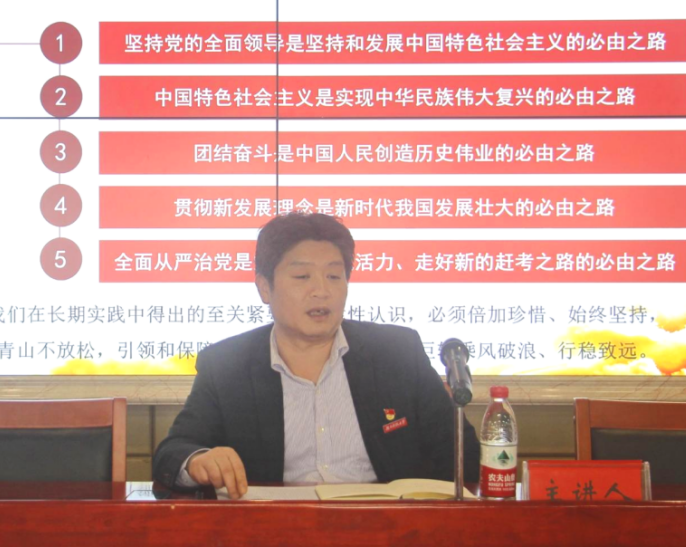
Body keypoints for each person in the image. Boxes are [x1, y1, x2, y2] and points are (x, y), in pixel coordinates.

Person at [152, 212, 480, 498]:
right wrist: (198, 461)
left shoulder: (397, 352)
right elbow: (173, 452)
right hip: (272, 532)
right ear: (264, 287)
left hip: (385, 530)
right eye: (302, 277)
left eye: (334, 276)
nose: (321, 291)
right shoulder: (226, 365)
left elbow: (461, 457)